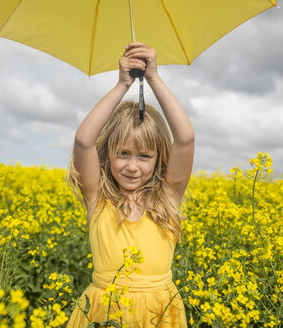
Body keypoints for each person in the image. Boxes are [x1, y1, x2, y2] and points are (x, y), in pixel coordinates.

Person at [66, 42, 194, 327]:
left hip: (158, 314)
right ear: (108, 154)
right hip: (104, 310)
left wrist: (154, 78)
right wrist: (122, 85)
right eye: (123, 153)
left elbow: (185, 138)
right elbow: (84, 140)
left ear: (159, 158)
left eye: (144, 156)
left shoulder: (167, 198)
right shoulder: (98, 198)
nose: (132, 166)